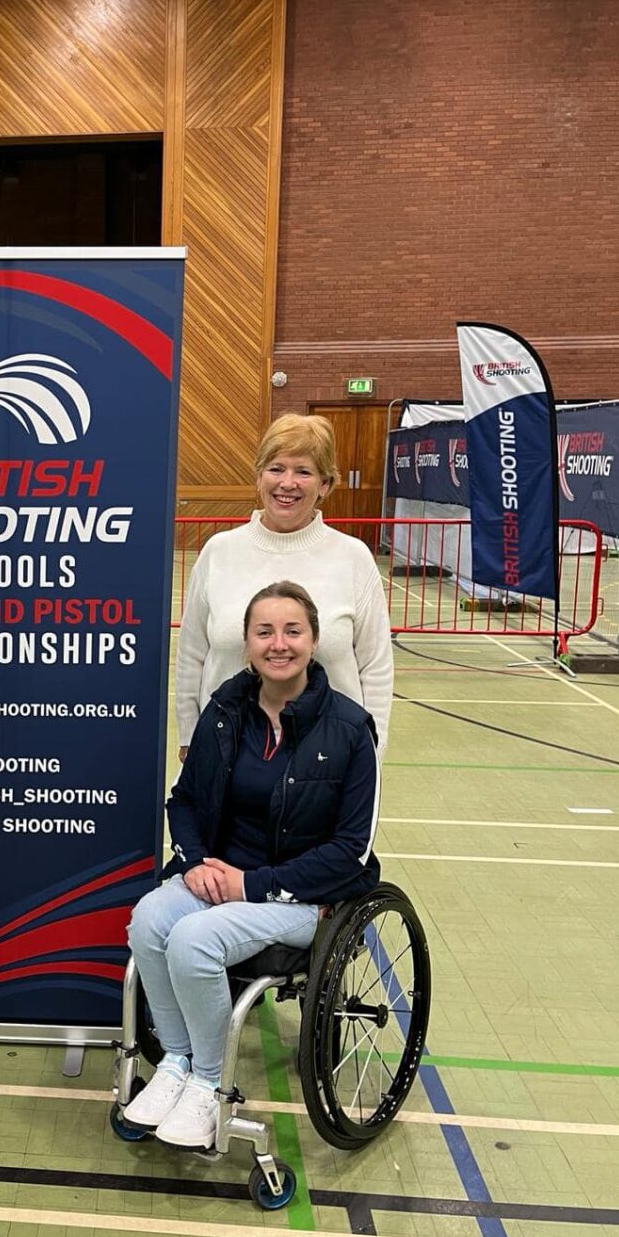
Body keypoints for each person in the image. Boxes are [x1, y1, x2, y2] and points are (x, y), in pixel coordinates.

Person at [125, 581, 380, 1149]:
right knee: (148, 918)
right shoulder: (225, 710)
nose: (279, 643)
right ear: (247, 644)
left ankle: (210, 1084)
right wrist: (192, 863)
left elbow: (350, 851)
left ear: (314, 641)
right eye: (264, 631)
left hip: (303, 897)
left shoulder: (349, 729)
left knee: (193, 940)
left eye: (293, 631)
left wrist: (252, 883)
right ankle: (176, 1064)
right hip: (220, 876)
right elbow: (184, 801)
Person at [175, 413, 392, 759]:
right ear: (259, 476)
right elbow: (192, 655)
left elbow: (376, 667)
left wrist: (371, 752)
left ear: (324, 484)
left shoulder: (353, 558)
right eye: (276, 468)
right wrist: (189, 737)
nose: (287, 483)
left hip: (327, 762)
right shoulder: (219, 551)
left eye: (303, 471)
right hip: (227, 755)